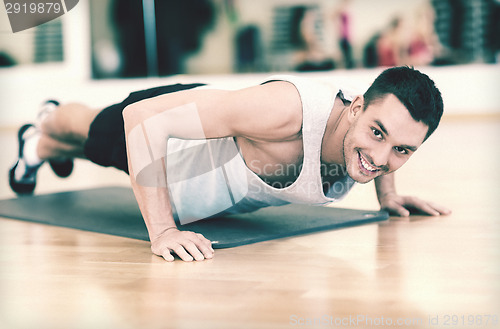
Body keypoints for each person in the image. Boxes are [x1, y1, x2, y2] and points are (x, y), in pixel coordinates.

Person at [9, 66, 451, 262]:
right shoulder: (286, 112)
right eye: (377, 133)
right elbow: (140, 120)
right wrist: (162, 231)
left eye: (402, 151)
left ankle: (39, 147)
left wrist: (389, 196)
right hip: (172, 145)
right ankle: (48, 119)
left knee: (76, 147)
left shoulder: (376, 142)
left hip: (196, 186)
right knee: (89, 130)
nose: (380, 158)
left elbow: (388, 142)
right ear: (355, 108)